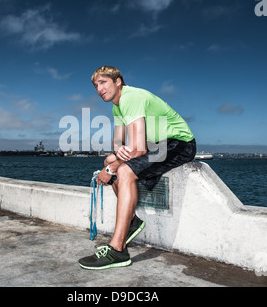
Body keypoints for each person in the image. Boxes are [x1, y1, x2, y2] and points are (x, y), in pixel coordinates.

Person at [78, 66, 196, 270]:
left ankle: (117, 250)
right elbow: (118, 143)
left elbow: (139, 148)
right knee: (109, 161)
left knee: (121, 170)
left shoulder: (130, 97)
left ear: (118, 82)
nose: (99, 89)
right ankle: (131, 221)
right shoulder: (117, 107)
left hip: (179, 143)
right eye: (96, 85)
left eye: (103, 82)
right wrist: (113, 159)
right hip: (157, 145)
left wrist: (112, 169)